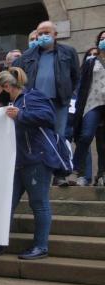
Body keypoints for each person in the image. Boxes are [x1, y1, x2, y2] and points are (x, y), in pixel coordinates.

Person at [0, 68, 62, 259]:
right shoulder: (13, 103)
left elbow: (49, 117)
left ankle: (41, 246)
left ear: (7, 87)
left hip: (36, 158)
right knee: (6, 204)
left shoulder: (32, 97)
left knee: (39, 203)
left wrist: (20, 115)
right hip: (17, 161)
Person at [12, 21, 79, 138]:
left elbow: (75, 77)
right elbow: (19, 77)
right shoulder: (27, 55)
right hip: (35, 103)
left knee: (58, 136)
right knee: (38, 136)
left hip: (59, 102)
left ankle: (58, 156)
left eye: (47, 33)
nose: (43, 36)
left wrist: (67, 93)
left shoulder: (68, 52)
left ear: (55, 34)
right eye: (40, 33)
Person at [73, 30, 105, 186]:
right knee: (86, 135)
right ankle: (75, 167)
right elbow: (82, 85)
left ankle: (101, 175)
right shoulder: (91, 61)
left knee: (103, 143)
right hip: (92, 103)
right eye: (102, 38)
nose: (103, 40)